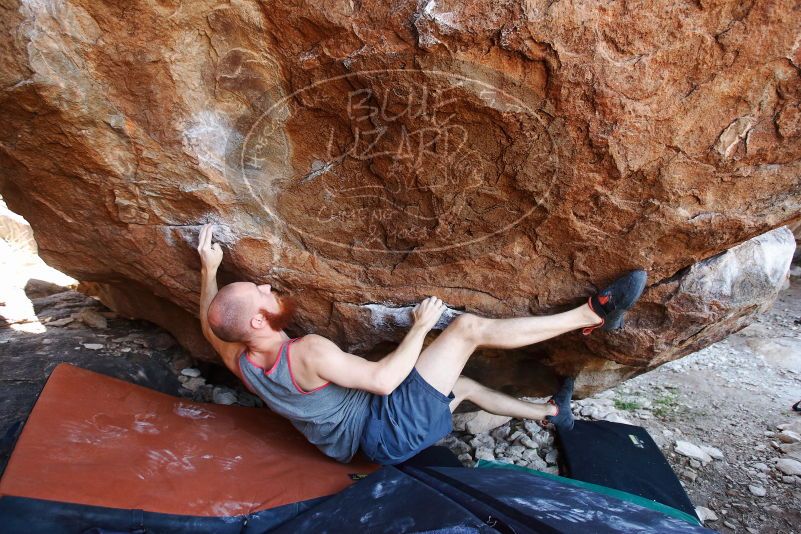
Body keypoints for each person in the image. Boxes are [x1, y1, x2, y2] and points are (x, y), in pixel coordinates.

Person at [195, 224, 647, 465]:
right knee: (466, 330)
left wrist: (209, 270)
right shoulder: (307, 351)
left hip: (364, 443)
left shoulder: (242, 360)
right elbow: (385, 380)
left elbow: (211, 326)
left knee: (461, 386)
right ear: (257, 318)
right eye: (262, 293)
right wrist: (420, 326)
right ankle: (593, 315)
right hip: (386, 429)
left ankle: (552, 414)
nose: (270, 287)